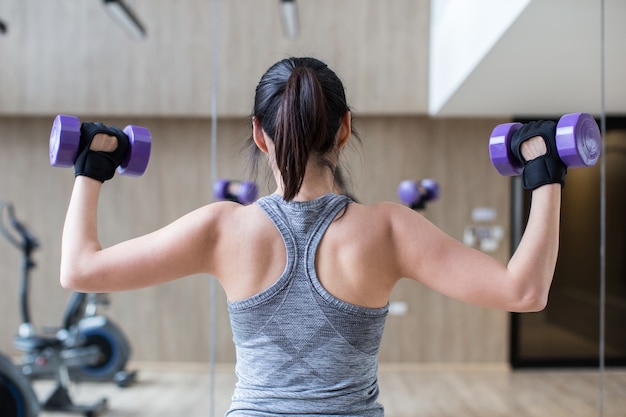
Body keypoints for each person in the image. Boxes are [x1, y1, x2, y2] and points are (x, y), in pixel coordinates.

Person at [60, 56, 563, 416]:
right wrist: (545, 173)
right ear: (345, 130)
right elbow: (524, 291)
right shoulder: (388, 229)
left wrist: (95, 164)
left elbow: (79, 270)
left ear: (260, 134)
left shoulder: (223, 229)